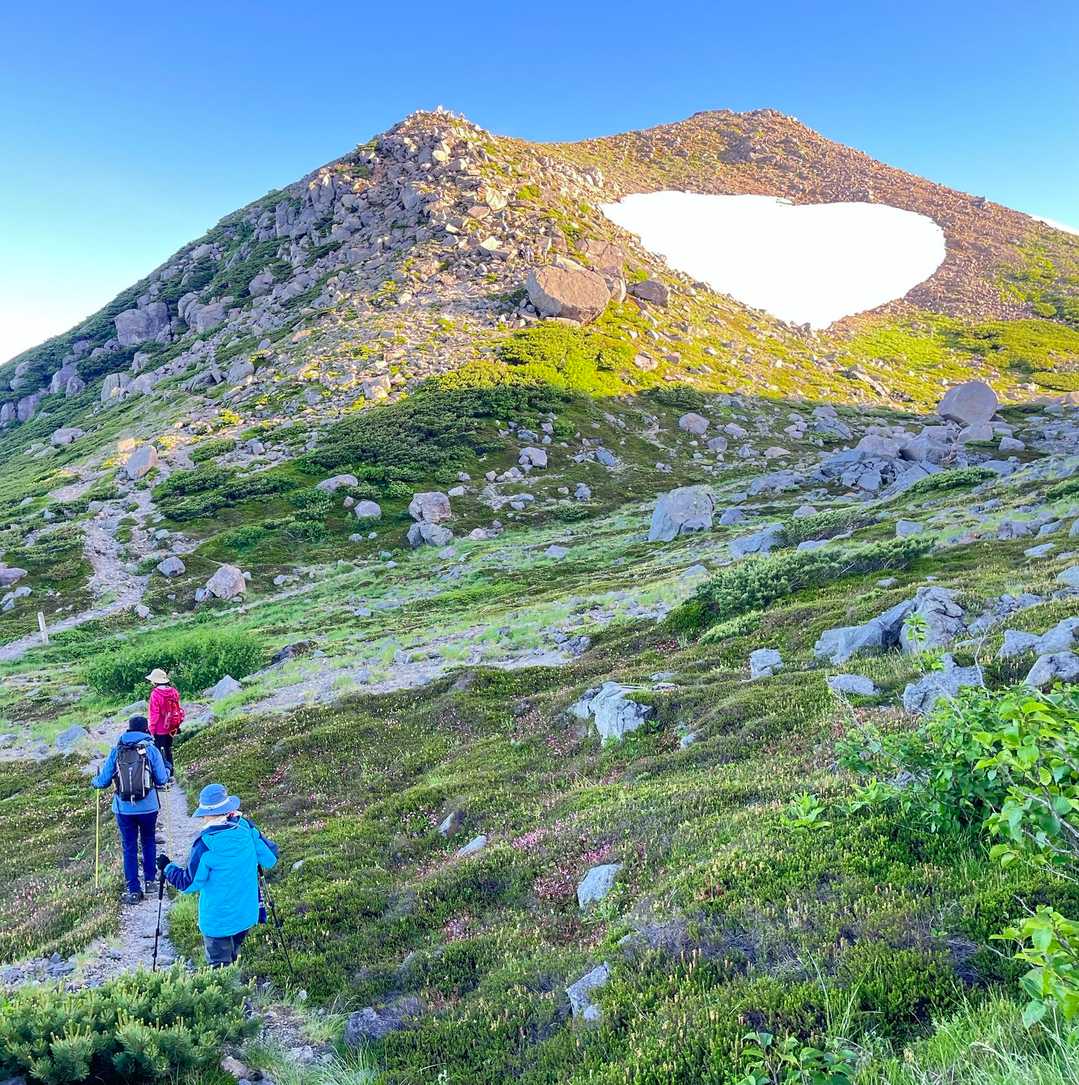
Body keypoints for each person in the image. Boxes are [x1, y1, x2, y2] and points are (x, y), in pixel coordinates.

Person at [158, 783, 279, 967]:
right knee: (234, 956)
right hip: (246, 914)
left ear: (206, 814)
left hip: (218, 921)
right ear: (228, 808)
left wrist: (168, 868)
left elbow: (188, 884)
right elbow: (270, 858)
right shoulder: (245, 827)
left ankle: (227, 983)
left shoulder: (205, 844)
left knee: (219, 969)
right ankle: (235, 977)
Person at [91, 715, 170, 904]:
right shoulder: (151, 749)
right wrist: (167, 770)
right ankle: (150, 882)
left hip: (123, 809)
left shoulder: (117, 750)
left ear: (128, 729)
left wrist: (94, 781)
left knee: (129, 846)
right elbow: (162, 779)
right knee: (149, 841)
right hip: (149, 807)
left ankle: (133, 890)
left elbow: (103, 781)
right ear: (146, 729)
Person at [147, 668, 184, 779]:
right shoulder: (173, 692)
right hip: (172, 727)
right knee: (168, 750)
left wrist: (151, 730)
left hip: (159, 729)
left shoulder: (155, 694)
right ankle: (171, 773)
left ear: (155, 681)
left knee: (158, 753)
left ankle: (162, 776)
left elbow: (154, 715)